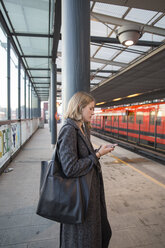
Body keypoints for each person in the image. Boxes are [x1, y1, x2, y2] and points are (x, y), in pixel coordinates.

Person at [57, 91, 113, 248]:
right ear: (80, 107)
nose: (93, 112)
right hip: (79, 197)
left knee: (96, 235)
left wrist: (98, 151)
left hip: (88, 194)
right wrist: (98, 155)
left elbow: (85, 158)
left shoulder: (83, 128)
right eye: (91, 108)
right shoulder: (69, 130)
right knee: (82, 239)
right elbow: (70, 168)